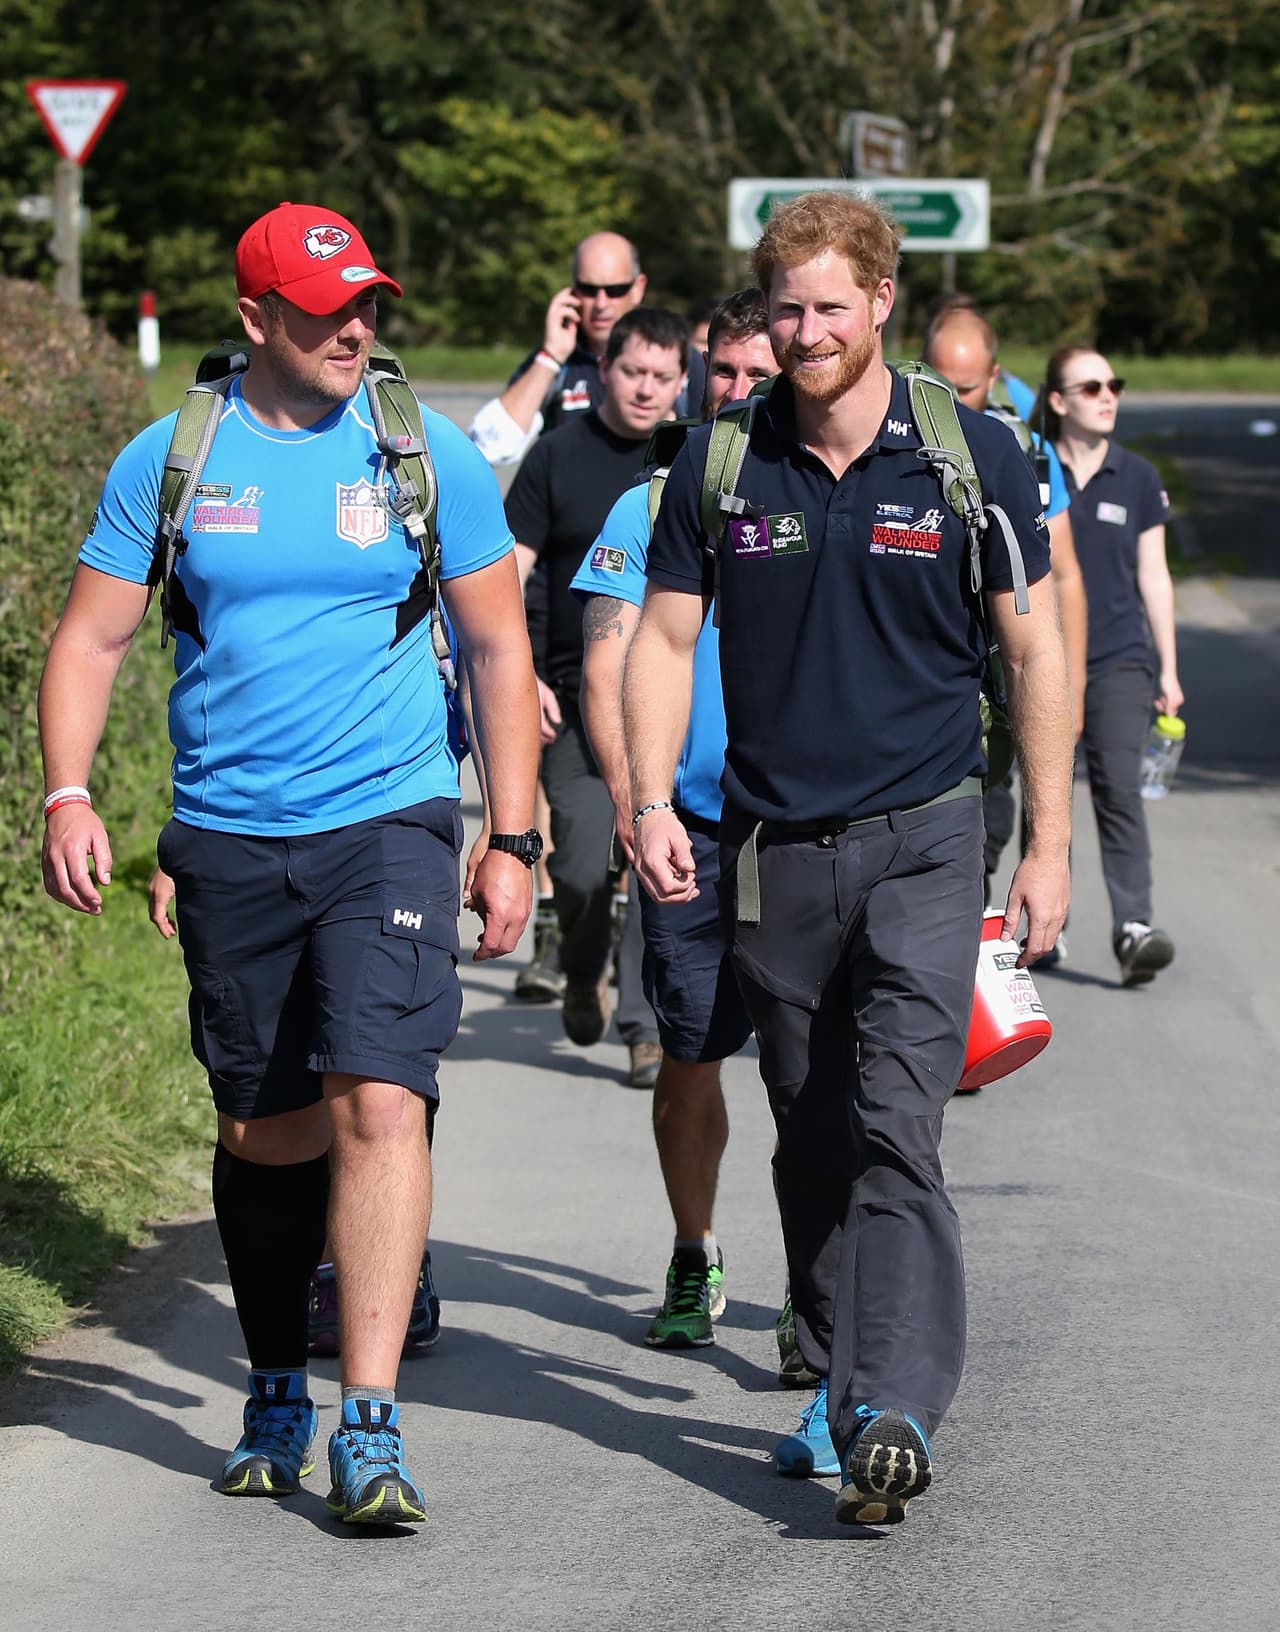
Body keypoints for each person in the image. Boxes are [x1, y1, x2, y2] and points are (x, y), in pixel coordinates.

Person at [38, 202, 541, 1529]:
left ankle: (367, 1423)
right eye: (326, 309)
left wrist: (513, 834)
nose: (355, 326)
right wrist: (70, 794)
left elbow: (499, 649)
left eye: (366, 301)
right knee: (266, 1129)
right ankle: (274, 1387)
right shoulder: (174, 460)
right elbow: (91, 641)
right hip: (227, 830)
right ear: (256, 317)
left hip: (389, 817)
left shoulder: (425, 455)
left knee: (383, 1096)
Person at [623, 191, 1073, 1528]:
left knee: (897, 1125)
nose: (807, 331)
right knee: (813, 1132)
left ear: (882, 304)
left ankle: (894, 1407)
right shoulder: (719, 461)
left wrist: (1045, 844)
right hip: (774, 851)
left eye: (832, 305)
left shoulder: (971, 455)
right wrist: (652, 800)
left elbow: (1035, 648)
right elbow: (657, 643)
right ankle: (832, 1370)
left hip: (931, 835)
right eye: (787, 308)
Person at [571, 289, 777, 1353]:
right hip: (684, 830)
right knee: (687, 1056)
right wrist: (631, 801)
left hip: (798, 832)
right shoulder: (647, 507)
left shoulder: (814, 500)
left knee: (812, 1066)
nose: (737, 393)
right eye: (723, 374)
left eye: (757, 374)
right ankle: (693, 1252)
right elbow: (606, 660)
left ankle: (816, 1288)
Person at [505, 306, 688, 1088]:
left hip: (670, 703)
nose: (646, 389)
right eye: (632, 371)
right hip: (576, 701)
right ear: (604, 370)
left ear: (685, 380)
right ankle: (584, 970)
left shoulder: (695, 460)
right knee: (580, 867)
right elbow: (505, 577)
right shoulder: (556, 456)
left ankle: (645, 1029)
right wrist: (524, 677)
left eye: (662, 375)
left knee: (659, 862)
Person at [922, 308, 1089, 948]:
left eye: (967, 387)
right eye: (940, 380)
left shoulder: (1024, 453)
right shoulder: (895, 442)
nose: (953, 399)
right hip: (931, 684)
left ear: (994, 377)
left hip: (1001, 681)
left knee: (985, 832)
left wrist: (1068, 688)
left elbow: (1065, 576)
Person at [1039, 345, 1181, 985]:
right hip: (1048, 657)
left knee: (1120, 788)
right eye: (1091, 386)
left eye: (1114, 384)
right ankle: (1048, 924)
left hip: (1122, 660)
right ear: (1058, 401)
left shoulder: (1140, 477)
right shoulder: (1035, 471)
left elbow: (1155, 578)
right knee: (1048, 792)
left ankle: (1134, 926)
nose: (1107, 395)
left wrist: (1169, 670)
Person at [468, 232, 648, 467]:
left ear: (637, 288)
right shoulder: (555, 362)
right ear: (572, 291)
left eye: (614, 290)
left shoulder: (675, 357)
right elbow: (489, 448)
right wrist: (551, 356)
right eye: (588, 290)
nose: (601, 304)